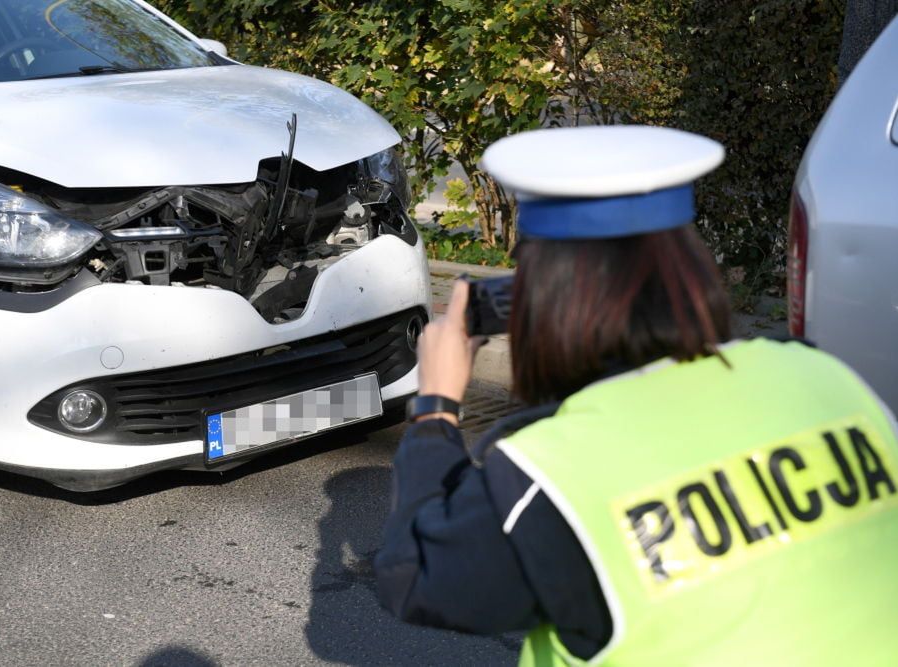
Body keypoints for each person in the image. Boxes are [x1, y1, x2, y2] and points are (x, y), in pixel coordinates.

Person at [374, 125, 898, 666]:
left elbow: (412, 575)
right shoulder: (829, 379)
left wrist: (435, 405)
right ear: (690, 268)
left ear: (545, 300)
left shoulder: (552, 472)